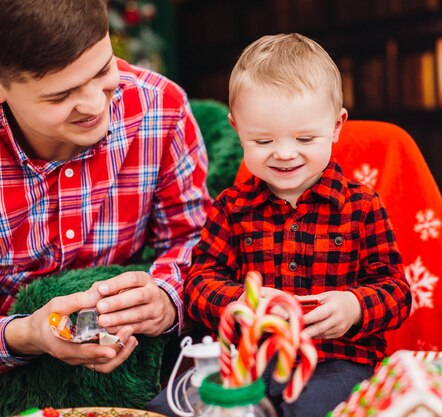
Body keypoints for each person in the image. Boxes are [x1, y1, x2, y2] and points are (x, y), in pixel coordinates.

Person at [185, 33, 412, 417]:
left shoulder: (361, 206)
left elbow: (396, 292)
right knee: (185, 405)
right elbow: (198, 281)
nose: (286, 153)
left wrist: (355, 306)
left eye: (305, 138)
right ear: (237, 128)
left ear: (337, 126)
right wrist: (238, 303)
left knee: (304, 410)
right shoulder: (231, 207)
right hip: (248, 361)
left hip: (338, 363)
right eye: (262, 140)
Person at [0, 0, 209, 375]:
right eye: (61, 96)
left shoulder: (160, 108)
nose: (95, 104)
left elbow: (196, 238)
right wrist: (26, 333)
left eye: (103, 69)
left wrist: (166, 297)